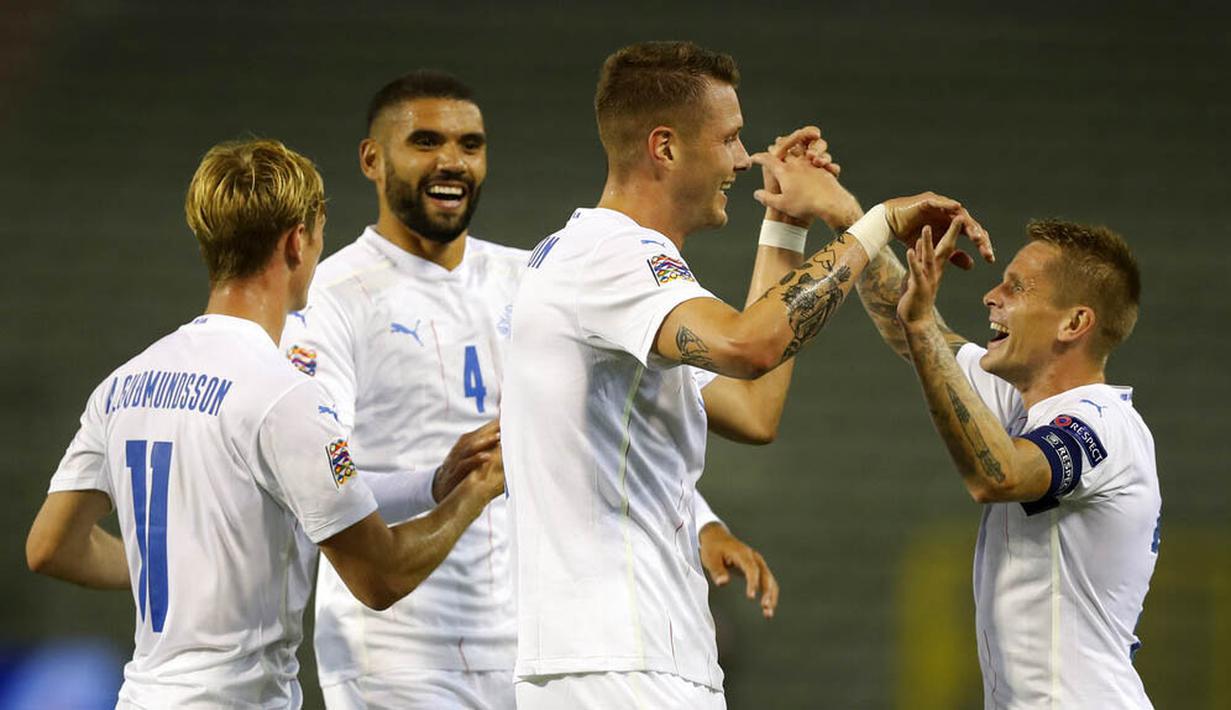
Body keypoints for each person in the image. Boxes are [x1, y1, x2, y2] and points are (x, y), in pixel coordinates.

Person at [501, 40, 994, 708]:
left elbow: (752, 405)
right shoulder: (611, 256)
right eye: (729, 139)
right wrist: (874, 223)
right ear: (664, 147)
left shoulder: (590, 262)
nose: (742, 159)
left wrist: (786, 225)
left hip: (622, 659)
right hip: (619, 664)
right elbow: (749, 346)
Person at [281, 70, 780, 710]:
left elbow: (609, 426)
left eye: (470, 144)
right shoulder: (333, 298)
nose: (452, 162)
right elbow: (318, 478)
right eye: (426, 142)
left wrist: (703, 524)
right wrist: (438, 482)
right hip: (397, 654)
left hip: (526, 645)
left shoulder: (533, 274)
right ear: (372, 159)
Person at [24, 139, 504, 709]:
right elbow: (381, 577)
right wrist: (476, 492)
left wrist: (432, 484)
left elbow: (51, 546)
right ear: (296, 241)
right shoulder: (286, 397)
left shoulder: (124, 385)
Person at [857, 215, 1159, 707]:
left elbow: (999, 475)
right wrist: (849, 218)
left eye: (1016, 287)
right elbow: (914, 334)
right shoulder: (1024, 405)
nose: (990, 295)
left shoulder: (1104, 423)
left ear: (1075, 323)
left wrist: (919, 325)